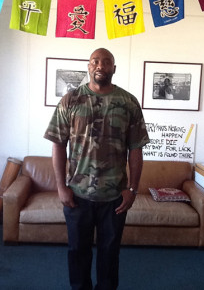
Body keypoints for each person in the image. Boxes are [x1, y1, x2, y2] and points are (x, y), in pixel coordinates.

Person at [44, 48, 149, 290]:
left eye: (106, 62)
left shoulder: (128, 102)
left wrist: (132, 189)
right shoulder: (70, 100)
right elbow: (58, 145)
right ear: (88, 67)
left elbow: (136, 149)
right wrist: (61, 187)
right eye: (95, 61)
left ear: (114, 68)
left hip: (114, 198)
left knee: (110, 254)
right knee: (77, 252)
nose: (100, 65)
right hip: (78, 195)